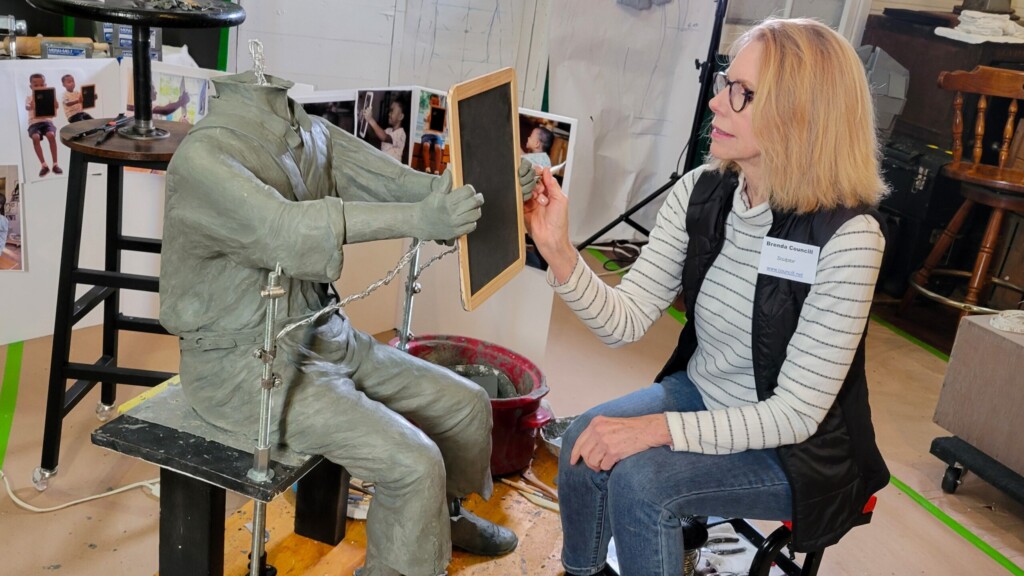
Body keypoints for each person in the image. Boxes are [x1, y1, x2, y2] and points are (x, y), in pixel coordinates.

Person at [523, 18, 890, 576]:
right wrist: (559, 253)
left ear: (801, 113)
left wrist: (652, 431)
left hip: (799, 450)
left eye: (741, 94)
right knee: (581, 445)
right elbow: (623, 322)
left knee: (642, 486)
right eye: (726, 82)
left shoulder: (849, 238)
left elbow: (793, 415)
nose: (717, 103)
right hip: (704, 394)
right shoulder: (703, 191)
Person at [161, 70, 537, 576]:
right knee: (413, 462)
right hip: (240, 365)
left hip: (323, 333)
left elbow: (409, 187)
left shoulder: (310, 132)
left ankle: (444, 519)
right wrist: (421, 220)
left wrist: (489, 185)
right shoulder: (203, 159)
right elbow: (286, 229)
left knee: (466, 404)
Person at [25, 73, 62, 177]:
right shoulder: (29, 98)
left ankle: (55, 164)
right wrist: (31, 106)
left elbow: (55, 107)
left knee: (51, 135)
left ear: (45, 85)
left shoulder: (48, 96)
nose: (39, 87)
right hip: (34, 123)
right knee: (35, 137)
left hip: (46, 121)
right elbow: (27, 106)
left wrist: (55, 103)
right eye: (36, 85)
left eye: (41, 85)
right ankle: (43, 165)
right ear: (31, 87)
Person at [363, 99, 408, 163]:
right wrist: (365, 120)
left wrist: (370, 119)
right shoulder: (388, 130)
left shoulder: (401, 133)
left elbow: (384, 137)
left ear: (400, 116)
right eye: (390, 111)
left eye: (392, 111)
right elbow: (373, 134)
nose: (389, 114)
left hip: (392, 168)